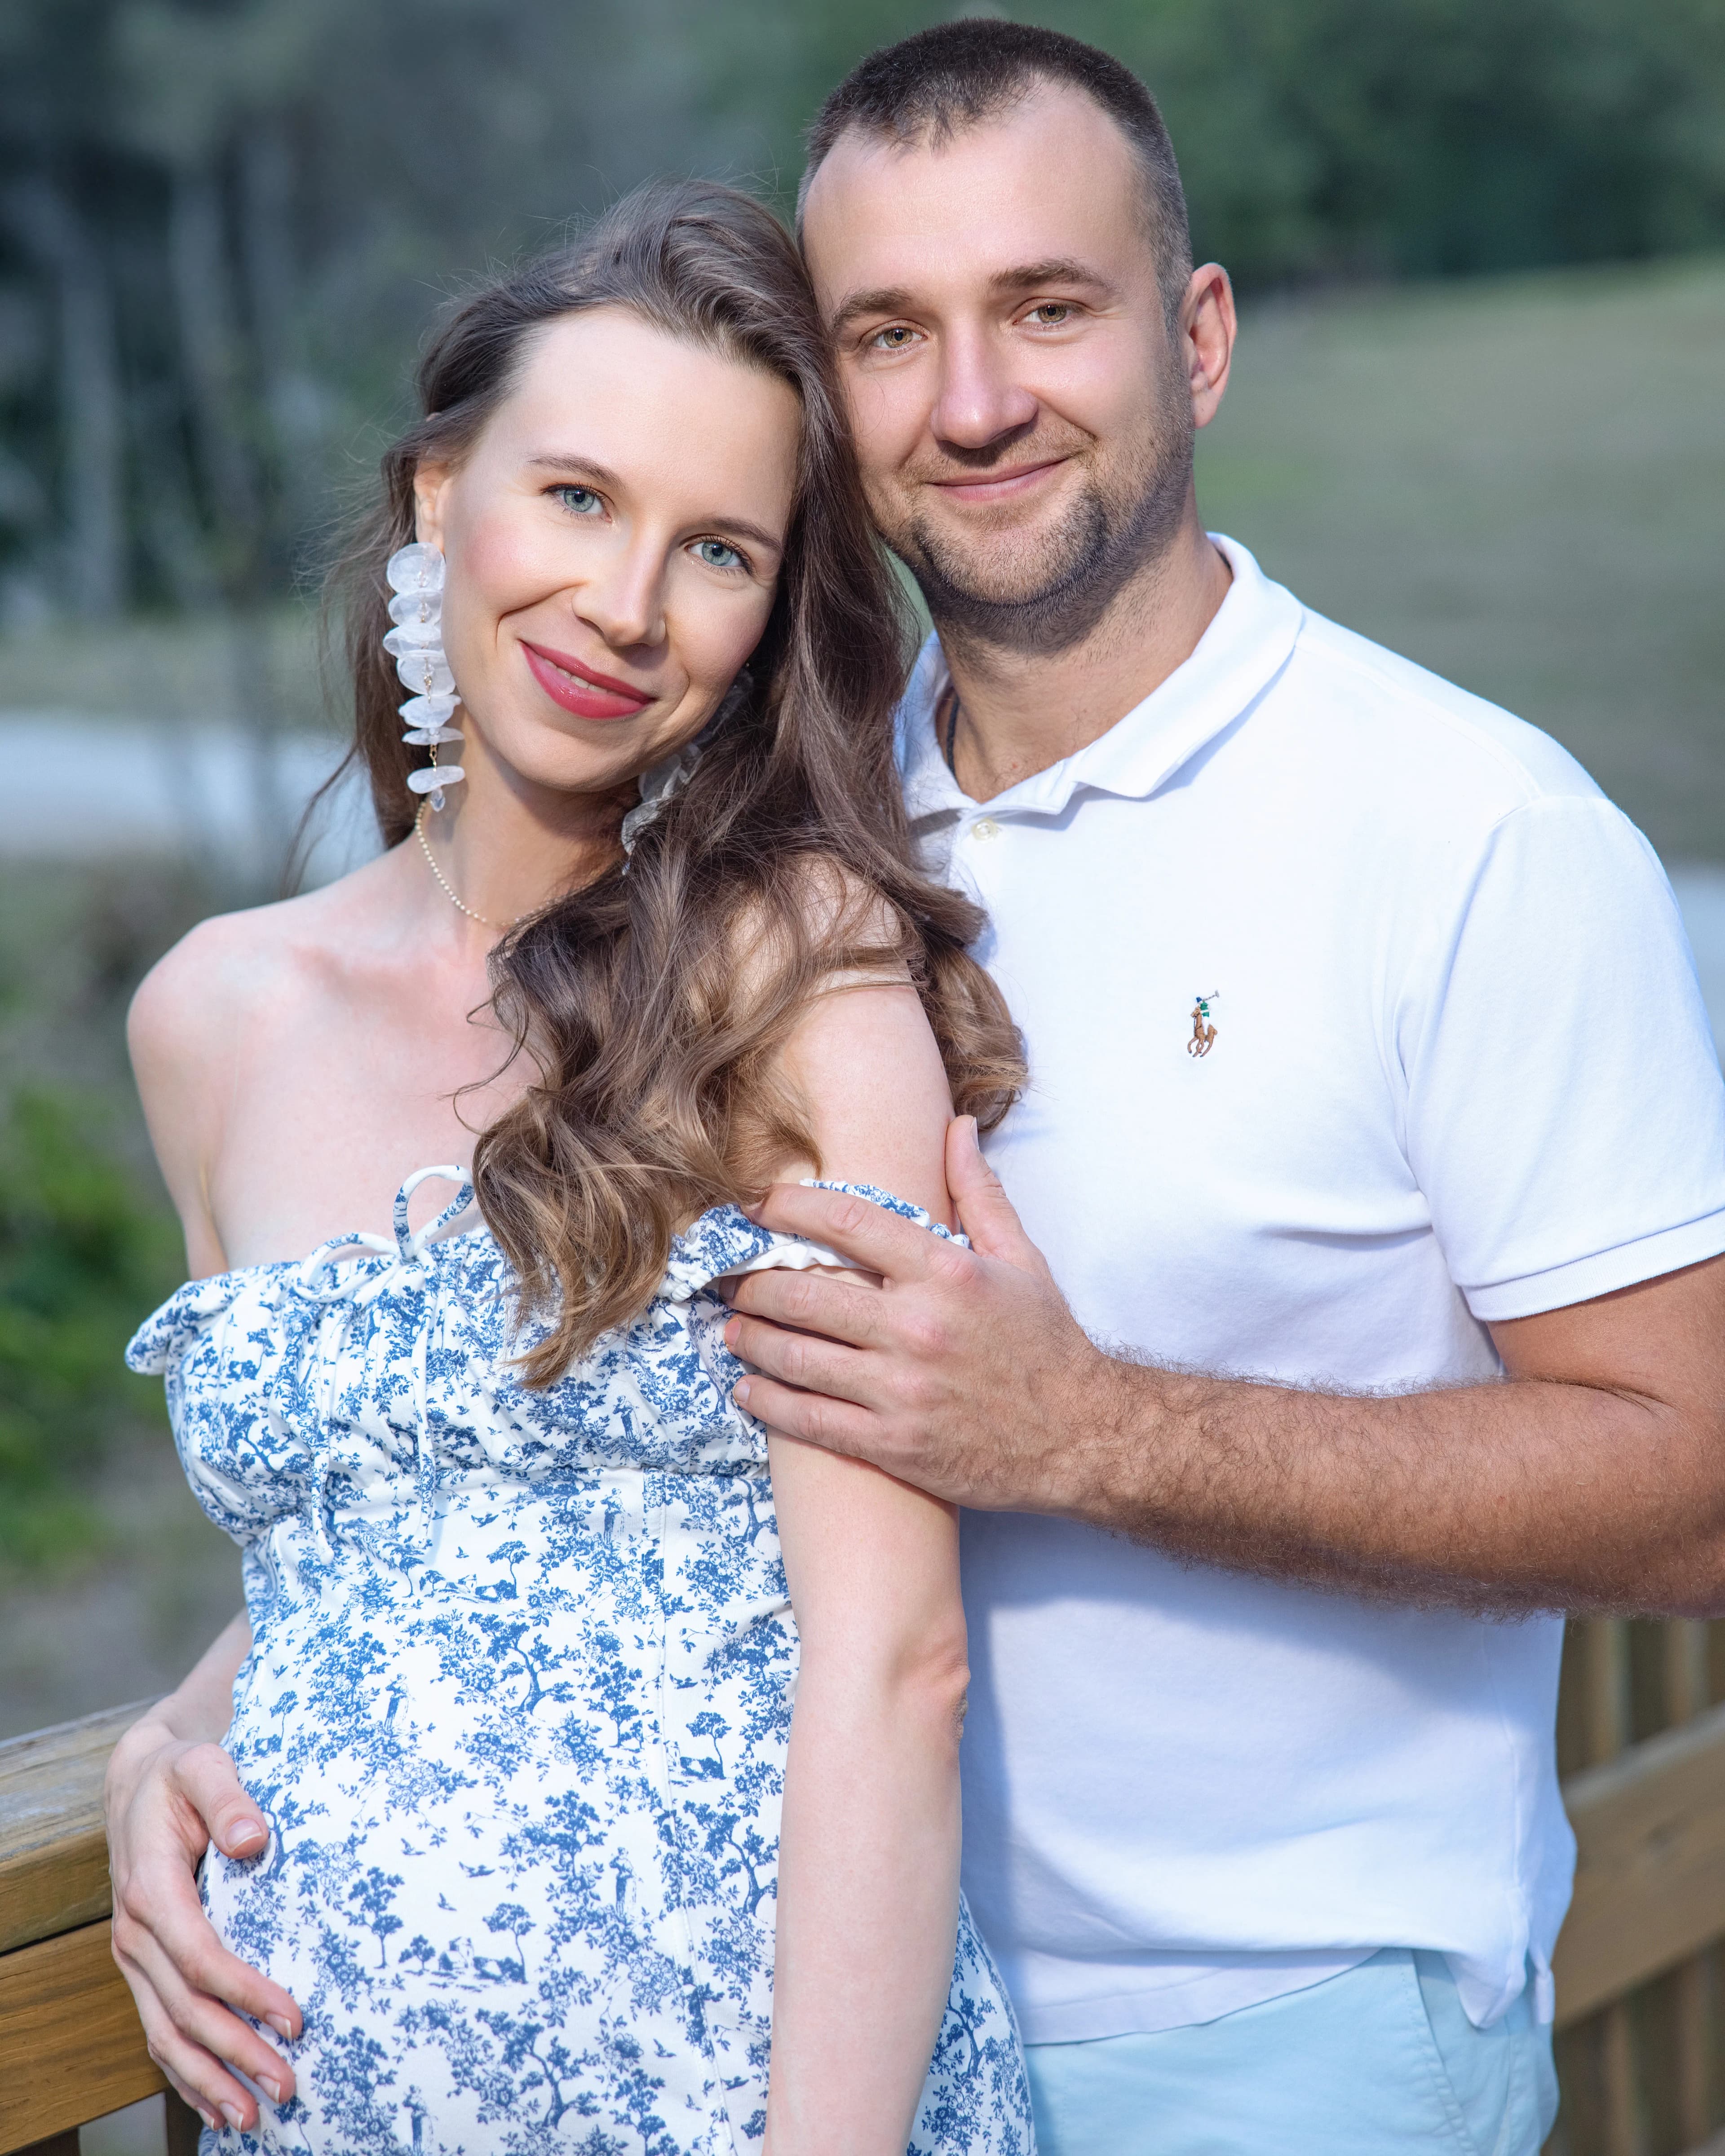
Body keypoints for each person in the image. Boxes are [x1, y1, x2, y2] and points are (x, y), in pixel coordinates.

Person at [713, 21, 1725, 2156]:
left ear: (1201, 339)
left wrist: (1086, 1432)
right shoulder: (795, 870)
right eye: (892, 333)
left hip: (1291, 2054)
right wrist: (200, 1724)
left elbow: (1699, 1486)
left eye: (1046, 310)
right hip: (835, 2033)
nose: (972, 402)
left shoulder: (1468, 835)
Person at [106, 179, 1035, 2155]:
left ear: (774, 616)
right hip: (325, 2114)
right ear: (444, 498)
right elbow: (368, 1551)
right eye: (579, 500)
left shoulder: (795, 982)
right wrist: (164, 1746)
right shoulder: (211, 1018)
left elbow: (897, 1662)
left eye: (716, 551)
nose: (625, 606)